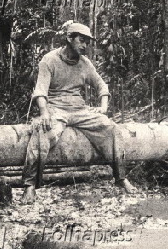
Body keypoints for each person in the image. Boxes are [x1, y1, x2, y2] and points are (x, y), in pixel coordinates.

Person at [21, 22, 137, 204]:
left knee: (112, 129)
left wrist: (103, 107)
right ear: (69, 39)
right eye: (81, 41)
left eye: (87, 43)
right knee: (42, 132)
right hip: (56, 109)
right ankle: (29, 185)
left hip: (80, 110)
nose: (84, 46)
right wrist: (44, 112)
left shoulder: (85, 63)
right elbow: (40, 91)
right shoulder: (49, 60)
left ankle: (121, 178)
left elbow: (101, 85)